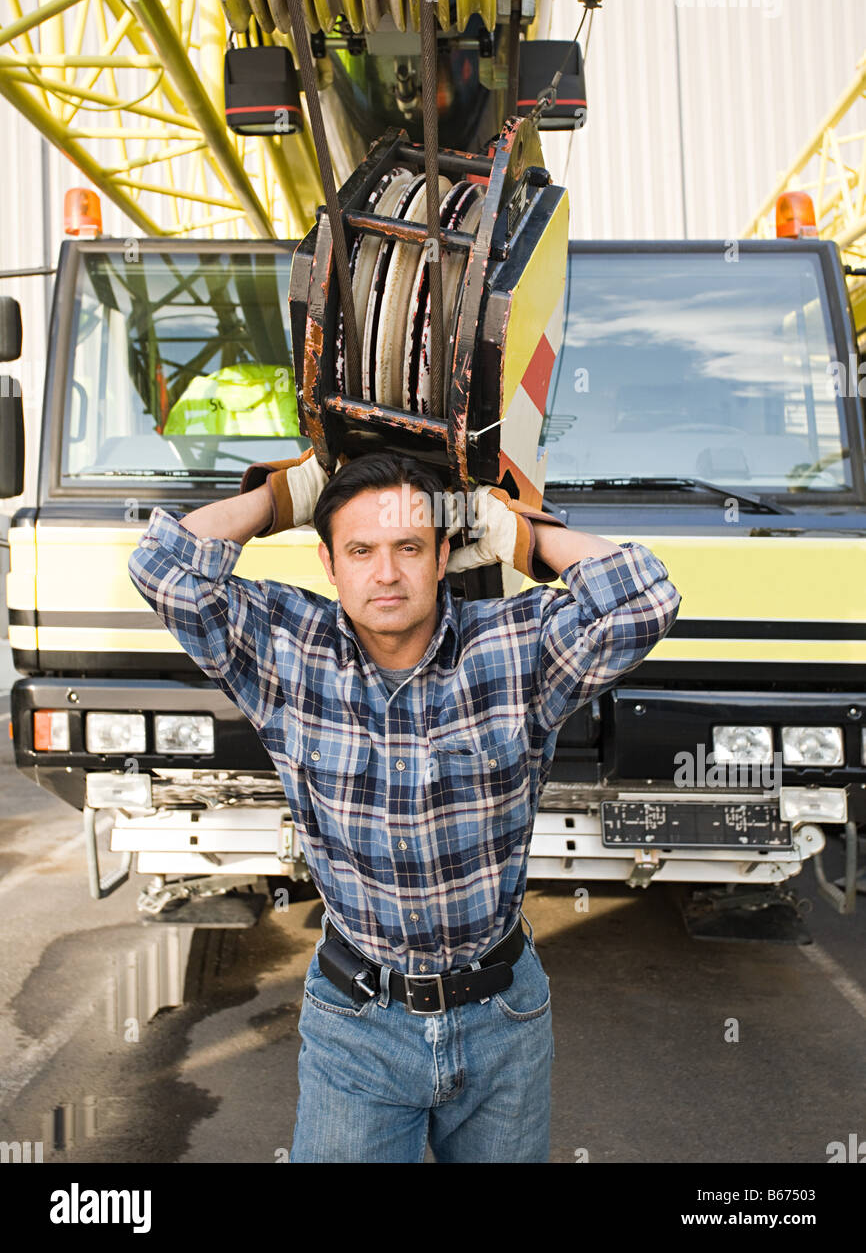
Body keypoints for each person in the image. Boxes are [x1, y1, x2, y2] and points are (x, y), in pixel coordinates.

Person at [127, 447, 681, 1163]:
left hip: (503, 1019)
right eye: (360, 549)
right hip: (357, 1024)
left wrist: (522, 534)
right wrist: (281, 500)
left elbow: (646, 596)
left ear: (444, 554)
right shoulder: (285, 648)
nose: (385, 573)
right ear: (329, 563)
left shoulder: (516, 648)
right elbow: (161, 564)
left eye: (408, 547)